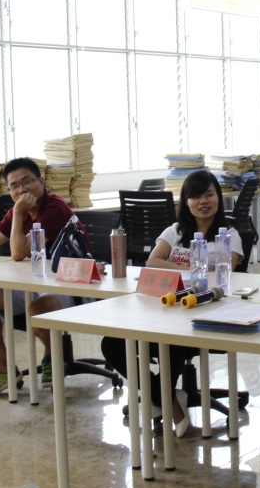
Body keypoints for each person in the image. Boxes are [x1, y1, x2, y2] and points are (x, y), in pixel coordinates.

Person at [101, 169, 243, 438]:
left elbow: (227, 270)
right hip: (166, 309)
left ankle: (161, 401)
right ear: (186, 201)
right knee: (111, 343)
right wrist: (195, 267)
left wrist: (186, 267)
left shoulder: (229, 235)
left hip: (204, 316)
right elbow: (153, 261)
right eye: (196, 196)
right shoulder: (174, 231)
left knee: (173, 340)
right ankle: (167, 400)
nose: (203, 201)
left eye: (209, 194)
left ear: (218, 197)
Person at [0, 156, 77, 398]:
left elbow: (18, 253)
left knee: (37, 309)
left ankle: (53, 357)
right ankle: (4, 369)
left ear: (41, 181)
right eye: (14, 186)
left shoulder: (54, 209)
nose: (22, 190)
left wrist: (18, 213)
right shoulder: (17, 212)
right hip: (34, 284)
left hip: (68, 285)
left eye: (27, 181)